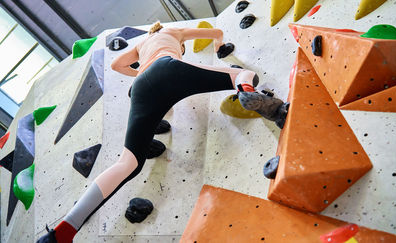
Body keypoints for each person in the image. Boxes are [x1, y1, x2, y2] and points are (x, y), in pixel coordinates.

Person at [37, 22, 288, 243]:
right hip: (169, 68)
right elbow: (216, 31)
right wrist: (218, 44)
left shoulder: (142, 44)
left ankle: (63, 230)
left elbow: (116, 64)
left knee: (129, 162)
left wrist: (139, 73)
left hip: (140, 88)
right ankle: (254, 95)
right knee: (241, 74)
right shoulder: (173, 32)